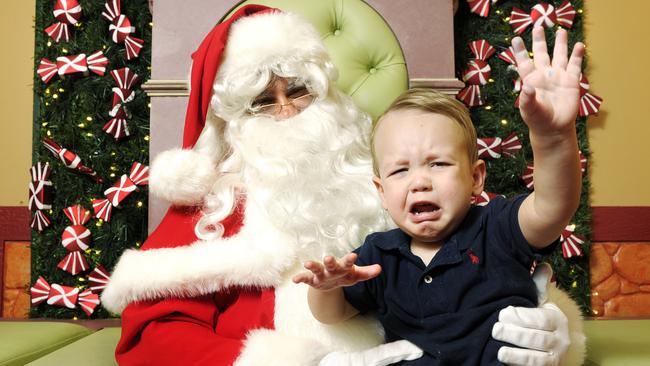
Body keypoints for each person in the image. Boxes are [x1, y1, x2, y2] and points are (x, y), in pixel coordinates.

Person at [101, 5, 585, 366]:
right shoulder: (212, 213)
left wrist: (545, 328)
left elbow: (505, 269)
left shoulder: (384, 188)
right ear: (231, 123)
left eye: (298, 90)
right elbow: (154, 340)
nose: (287, 111)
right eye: (262, 102)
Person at [294, 26, 585, 366]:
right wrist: (327, 288)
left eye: (438, 164)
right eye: (400, 170)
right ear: (381, 192)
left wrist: (553, 138)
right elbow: (333, 315)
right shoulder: (378, 254)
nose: (419, 182)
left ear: (475, 178)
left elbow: (553, 206)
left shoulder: (498, 227)